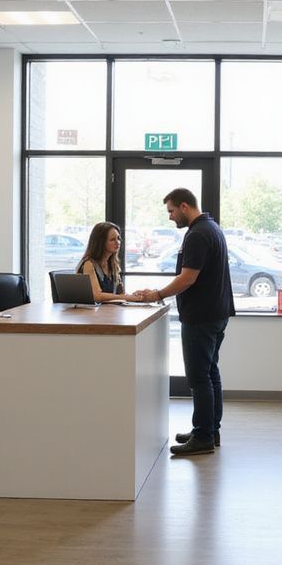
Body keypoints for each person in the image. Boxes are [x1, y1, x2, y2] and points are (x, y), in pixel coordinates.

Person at [136, 189, 234, 455]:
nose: (170, 217)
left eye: (171, 211)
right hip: (216, 313)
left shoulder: (198, 234)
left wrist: (156, 295)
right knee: (210, 372)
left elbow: (187, 278)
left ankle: (202, 436)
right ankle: (210, 430)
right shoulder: (211, 228)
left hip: (201, 316)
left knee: (199, 377)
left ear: (184, 206)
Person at [75, 221, 146, 304]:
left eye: (118, 238)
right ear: (100, 242)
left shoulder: (112, 264)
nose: (118, 242)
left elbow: (120, 294)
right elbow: (97, 296)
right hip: (90, 315)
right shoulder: (88, 264)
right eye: (112, 239)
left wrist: (134, 296)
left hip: (107, 313)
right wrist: (127, 297)